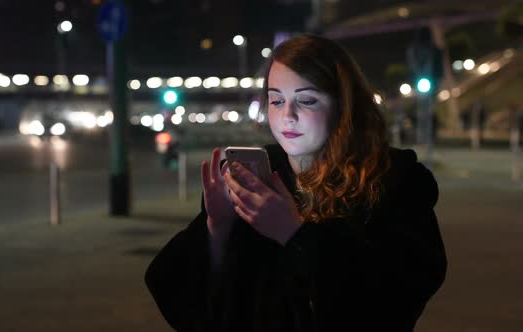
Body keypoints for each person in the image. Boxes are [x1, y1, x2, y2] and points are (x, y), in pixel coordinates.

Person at [145, 34, 447, 332]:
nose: (287, 116)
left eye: (306, 100)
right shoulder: (257, 174)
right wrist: (217, 227)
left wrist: (294, 234)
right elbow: (180, 291)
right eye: (276, 100)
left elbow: (398, 296)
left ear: (344, 105)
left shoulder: (393, 180)